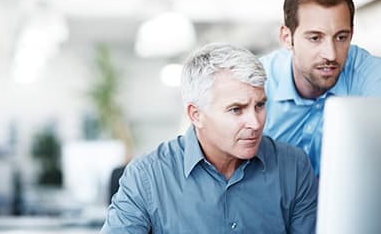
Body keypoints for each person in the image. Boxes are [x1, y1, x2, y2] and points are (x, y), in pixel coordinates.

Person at [101, 43, 318, 233]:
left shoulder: (294, 167)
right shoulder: (147, 177)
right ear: (196, 115)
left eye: (260, 105)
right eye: (236, 109)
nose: (255, 122)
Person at [260, 0, 381, 176]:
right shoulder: (259, 83)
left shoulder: (369, 75)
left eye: (341, 37)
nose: (331, 55)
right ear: (286, 37)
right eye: (315, 38)